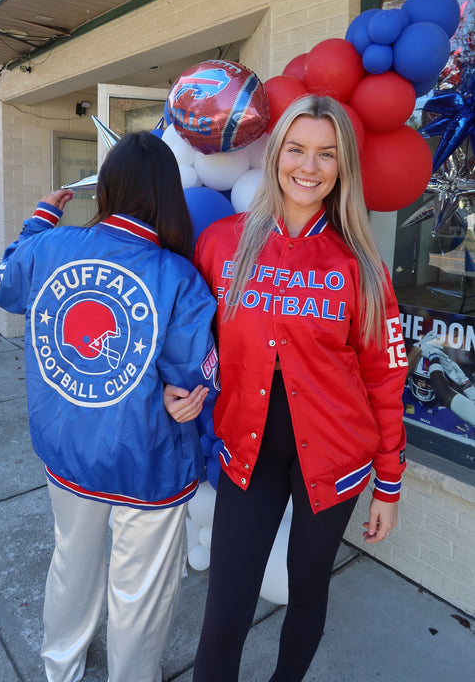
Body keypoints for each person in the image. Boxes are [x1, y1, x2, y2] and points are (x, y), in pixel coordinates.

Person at [173, 95, 408, 681]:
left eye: (326, 154)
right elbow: (192, 341)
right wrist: (180, 388)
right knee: (225, 609)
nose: (310, 166)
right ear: (276, 154)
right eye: (297, 149)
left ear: (342, 166)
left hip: (335, 461)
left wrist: (389, 484)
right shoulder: (223, 244)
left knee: (307, 594)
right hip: (246, 456)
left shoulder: (361, 263)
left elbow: (386, 376)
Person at [0, 132, 219, 682]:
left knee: (72, 560)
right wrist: (192, 384)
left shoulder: (49, 248)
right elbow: (192, 378)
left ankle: (59, 667)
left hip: (66, 451)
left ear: (107, 188)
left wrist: (40, 219)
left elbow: (1, 284)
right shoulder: (177, 275)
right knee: (139, 590)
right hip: (150, 464)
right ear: (169, 194)